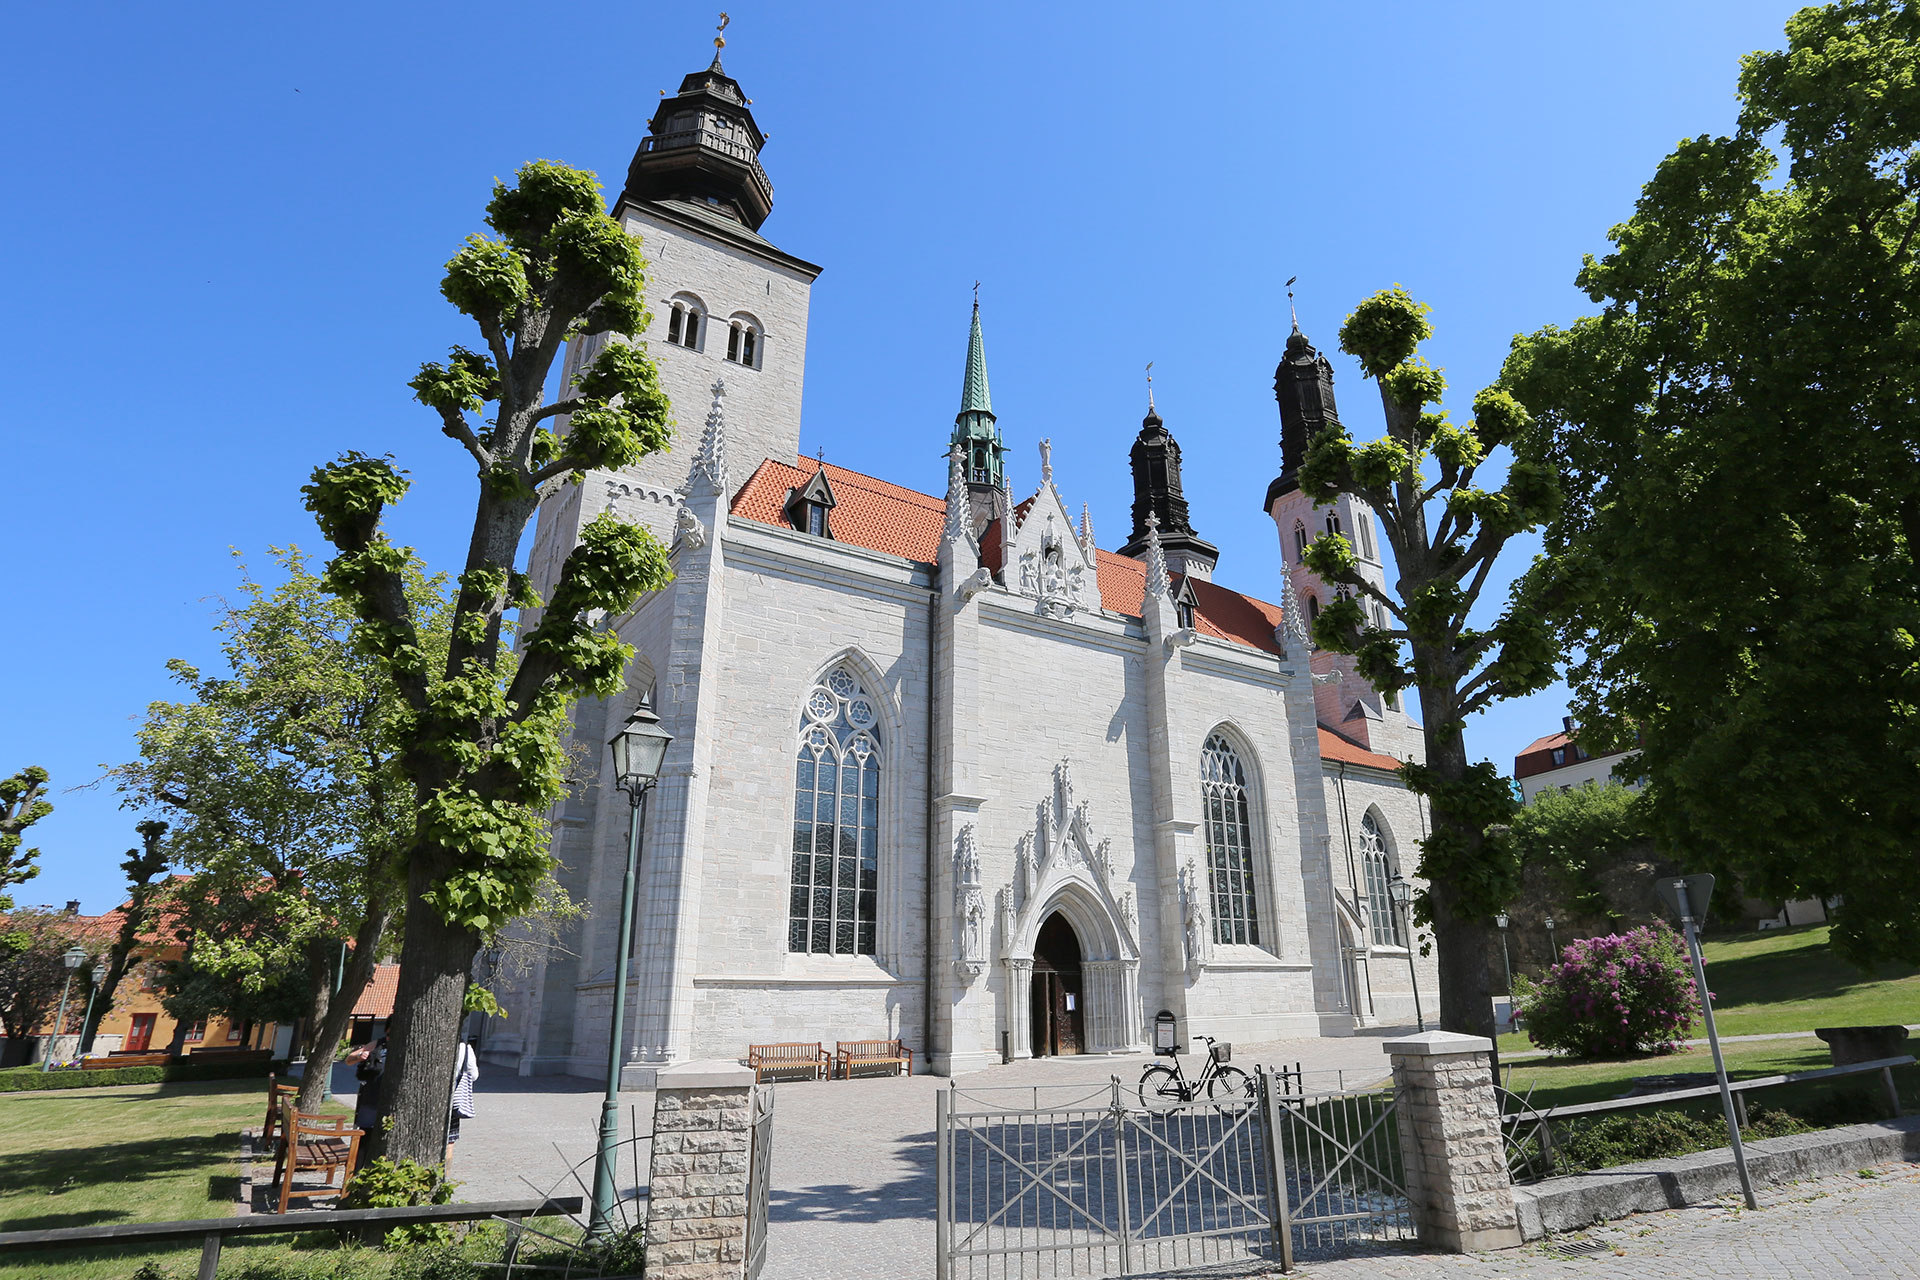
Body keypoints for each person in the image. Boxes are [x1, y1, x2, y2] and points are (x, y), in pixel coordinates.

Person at [345, 1035, 386, 1140]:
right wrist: (359, 1056)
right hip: (372, 1097)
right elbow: (349, 1060)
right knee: (366, 1134)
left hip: (392, 1099)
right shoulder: (378, 1044)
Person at [446, 1037, 479, 1165]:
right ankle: (444, 1176)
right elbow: (474, 1076)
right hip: (454, 1102)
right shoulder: (465, 1049)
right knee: (449, 1143)